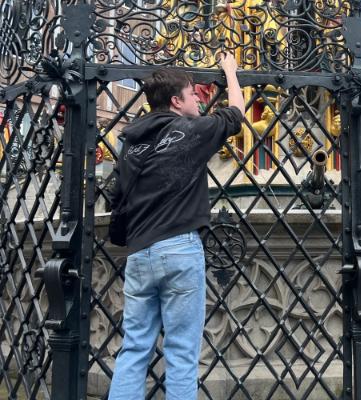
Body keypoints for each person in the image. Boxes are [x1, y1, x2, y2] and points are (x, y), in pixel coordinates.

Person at [107, 52, 244, 400]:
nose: (199, 97)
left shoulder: (130, 142)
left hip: (140, 253)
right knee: (181, 353)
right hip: (180, 249)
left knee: (134, 349)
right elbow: (237, 114)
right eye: (193, 94)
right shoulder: (192, 131)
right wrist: (229, 71)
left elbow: (117, 195)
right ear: (175, 101)